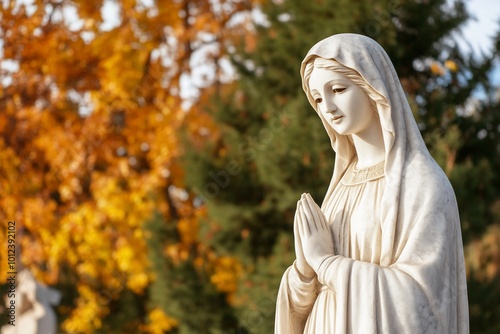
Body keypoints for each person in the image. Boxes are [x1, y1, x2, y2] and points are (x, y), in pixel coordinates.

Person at [275, 33, 469, 333]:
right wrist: (303, 271)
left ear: (372, 87)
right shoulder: (339, 188)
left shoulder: (421, 185)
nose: (326, 106)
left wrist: (324, 262)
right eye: (317, 98)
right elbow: (308, 301)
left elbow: (423, 304)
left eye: (337, 89)